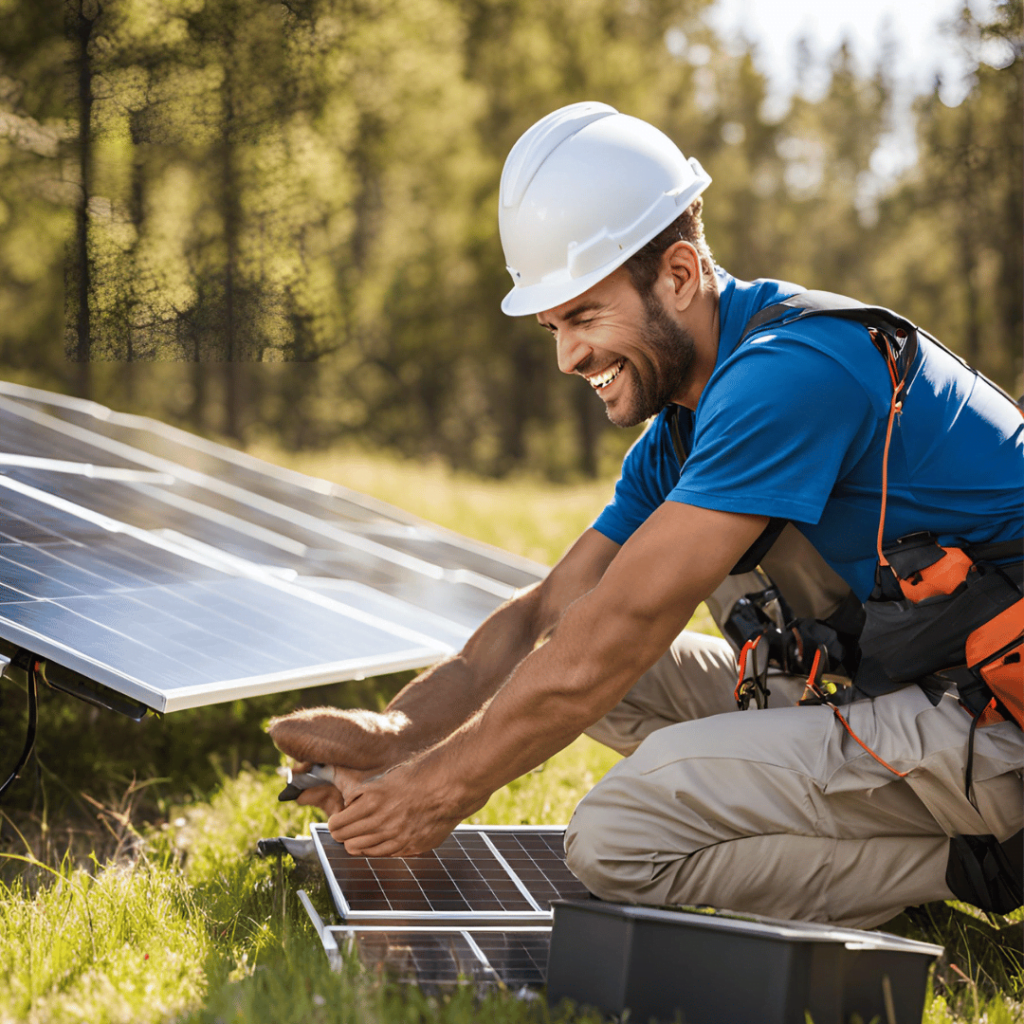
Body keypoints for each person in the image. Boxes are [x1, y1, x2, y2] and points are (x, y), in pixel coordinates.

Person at [269, 102, 1023, 929]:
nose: (567, 357)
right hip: (906, 690)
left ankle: (974, 867)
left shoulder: (792, 374)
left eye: (585, 317)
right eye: (555, 326)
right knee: (584, 671)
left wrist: (445, 788)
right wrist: (399, 733)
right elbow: (551, 613)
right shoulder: (689, 420)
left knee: (617, 839)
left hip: (996, 725)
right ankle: (882, 847)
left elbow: (626, 622)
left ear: (677, 274)